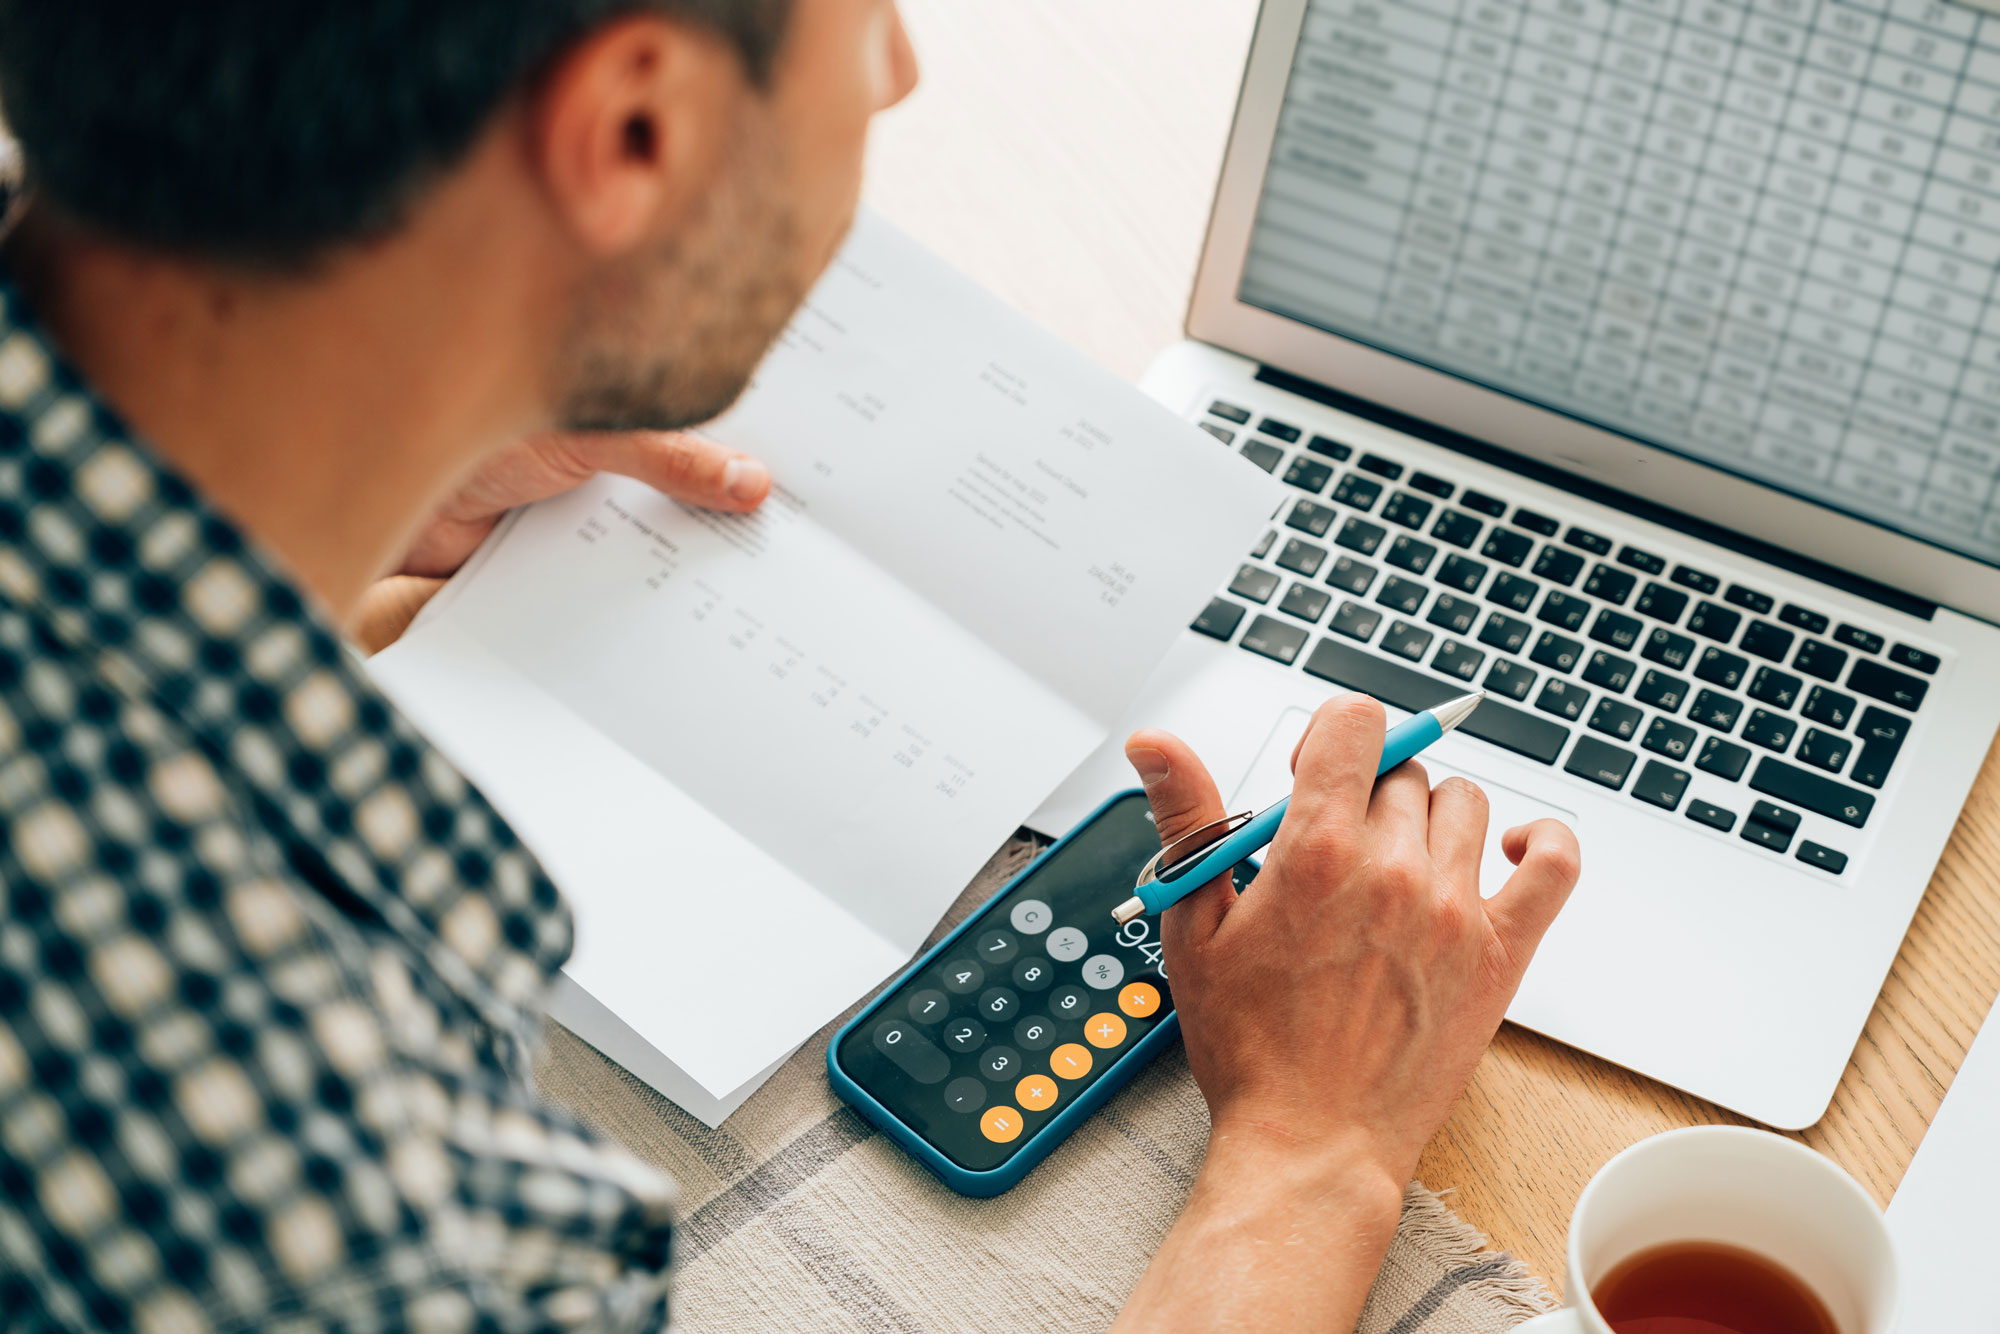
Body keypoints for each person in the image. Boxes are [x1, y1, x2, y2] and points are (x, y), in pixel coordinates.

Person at [0, 0, 1581, 1328]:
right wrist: (1311, 1159)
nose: (898, 70)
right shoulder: (293, 1109)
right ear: (633, 131)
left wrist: (365, 460)